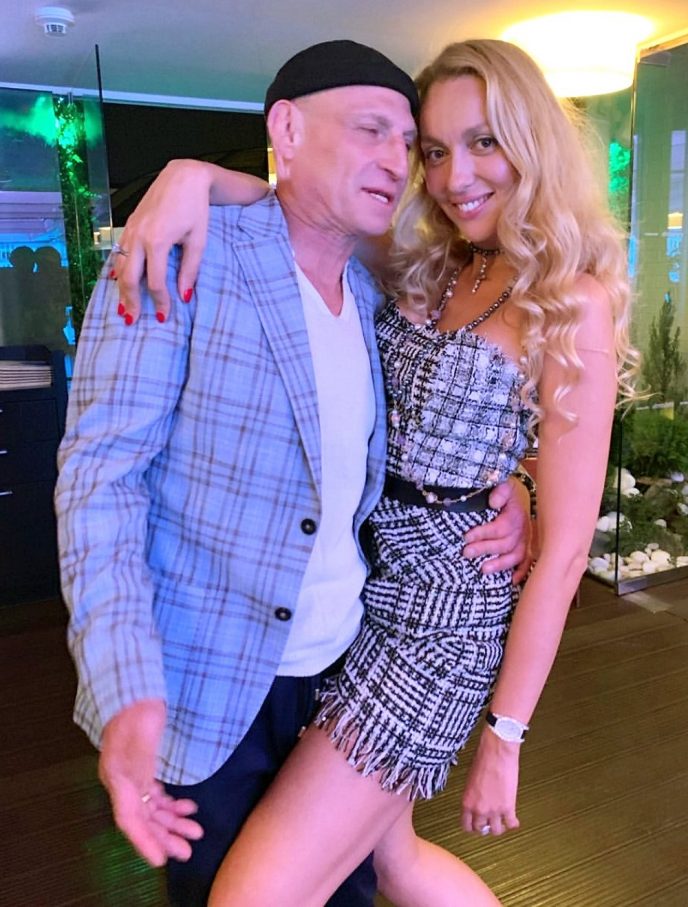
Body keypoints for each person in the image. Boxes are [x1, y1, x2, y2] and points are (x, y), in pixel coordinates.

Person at [111, 38, 636, 907]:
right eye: (435, 151)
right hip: (361, 593)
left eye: (484, 142)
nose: (454, 176)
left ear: (531, 142)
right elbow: (300, 209)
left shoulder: (571, 300)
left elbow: (569, 550)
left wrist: (505, 735)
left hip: (436, 629)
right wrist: (191, 176)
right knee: (394, 864)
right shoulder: (435, 264)